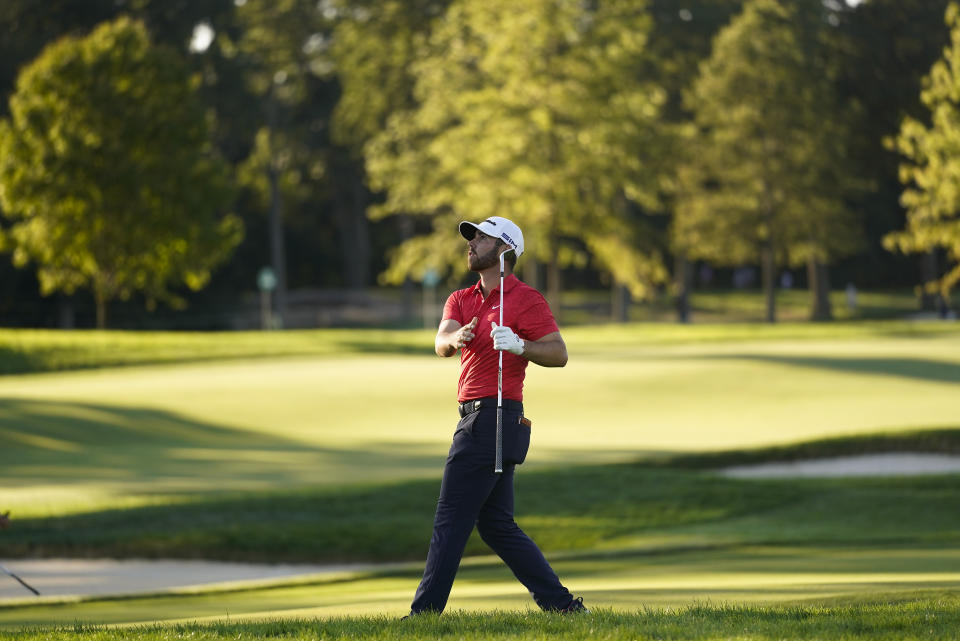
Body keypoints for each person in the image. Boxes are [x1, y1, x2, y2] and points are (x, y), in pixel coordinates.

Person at [407, 216, 588, 616]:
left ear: (505, 250)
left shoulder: (525, 299)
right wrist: (454, 339)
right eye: (471, 238)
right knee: (497, 526)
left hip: (495, 417)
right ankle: (562, 607)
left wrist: (521, 344)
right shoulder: (461, 298)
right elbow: (441, 341)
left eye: (481, 238)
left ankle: (423, 616)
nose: (470, 244)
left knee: (451, 517)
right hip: (477, 418)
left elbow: (559, 353)